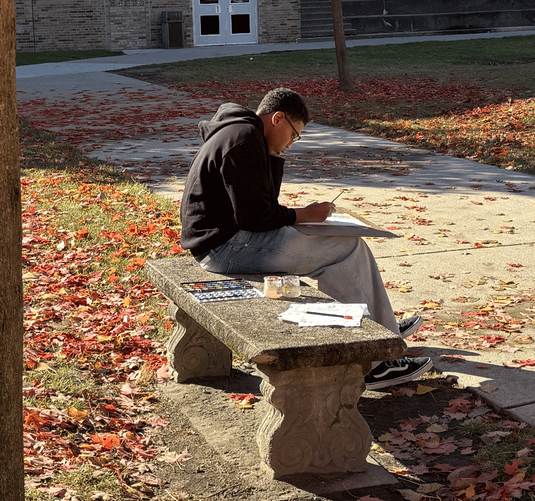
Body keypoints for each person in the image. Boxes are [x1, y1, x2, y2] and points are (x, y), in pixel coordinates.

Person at [180, 87, 432, 389]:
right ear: (278, 118)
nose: (291, 144)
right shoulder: (243, 139)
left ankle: (377, 334)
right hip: (224, 247)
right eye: (293, 135)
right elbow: (256, 217)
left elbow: (263, 206)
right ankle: (375, 360)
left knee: (342, 254)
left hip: (228, 240)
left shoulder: (245, 134)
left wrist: (272, 157)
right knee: (348, 247)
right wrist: (305, 215)